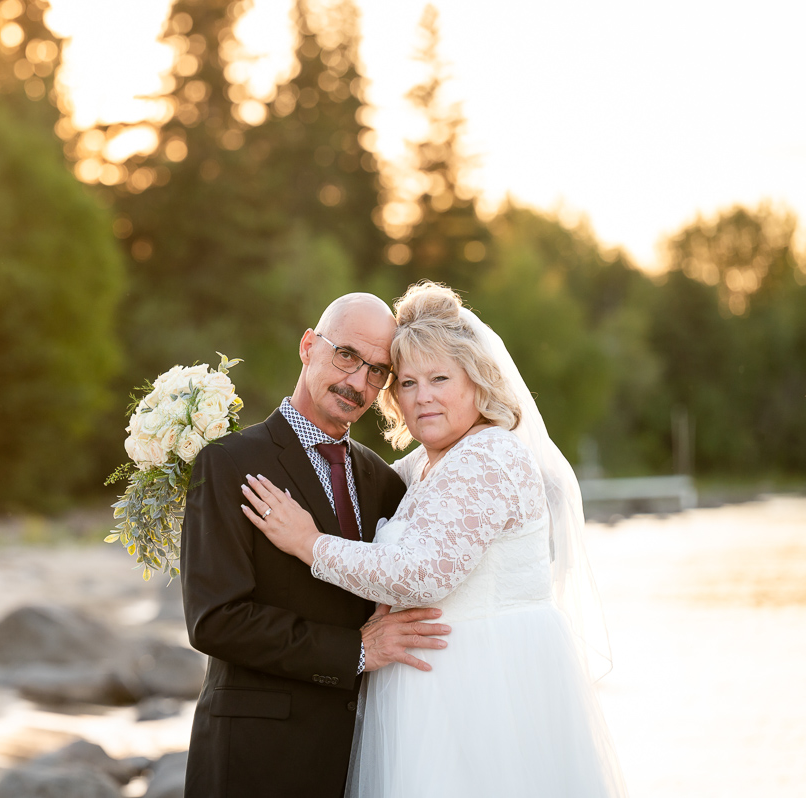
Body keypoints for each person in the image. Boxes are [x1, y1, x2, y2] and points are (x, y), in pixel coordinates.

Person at [242, 282, 627, 797]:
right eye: (406, 382)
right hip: (426, 690)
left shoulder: (491, 455)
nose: (422, 397)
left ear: (476, 381)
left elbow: (422, 574)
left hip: (486, 692)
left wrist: (309, 544)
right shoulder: (421, 465)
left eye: (439, 378)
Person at [180, 293, 454, 798]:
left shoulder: (383, 480)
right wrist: (354, 651)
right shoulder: (227, 462)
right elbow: (214, 618)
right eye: (346, 355)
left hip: (360, 756)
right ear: (309, 346)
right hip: (253, 757)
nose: (357, 382)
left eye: (378, 371)